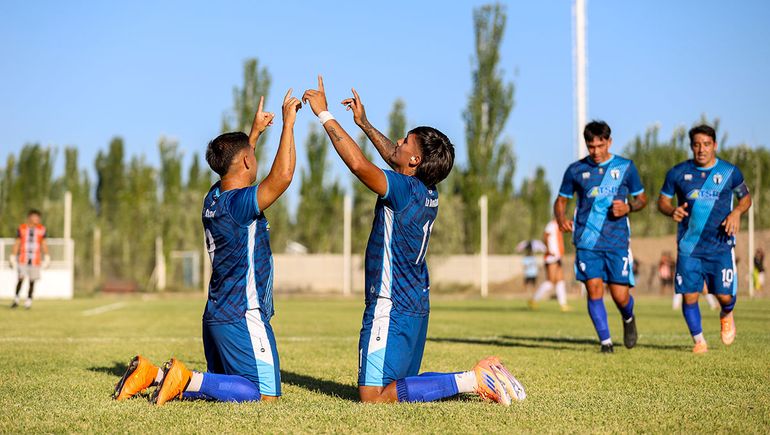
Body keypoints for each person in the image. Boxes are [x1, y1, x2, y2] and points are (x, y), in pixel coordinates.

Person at [301, 76, 525, 405]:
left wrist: (324, 115)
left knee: (374, 397)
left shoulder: (403, 190)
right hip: (415, 304)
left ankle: (474, 378)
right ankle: (477, 376)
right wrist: (363, 123)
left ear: (415, 161)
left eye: (405, 141)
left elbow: (359, 165)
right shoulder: (426, 190)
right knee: (403, 386)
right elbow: (395, 157)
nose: (398, 143)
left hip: (390, 304)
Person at [112, 90, 302, 404]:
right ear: (245, 161)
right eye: (251, 156)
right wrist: (288, 124)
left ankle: (153, 375)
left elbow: (237, 168)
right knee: (264, 395)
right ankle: (186, 377)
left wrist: (253, 134)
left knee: (225, 388)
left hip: (216, 315)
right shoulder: (240, 204)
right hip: (242, 315)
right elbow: (282, 176)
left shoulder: (213, 197)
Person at [554, 121, 647, 353]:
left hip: (617, 241)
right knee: (594, 288)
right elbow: (561, 200)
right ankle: (605, 342)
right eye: (591, 146)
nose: (595, 151)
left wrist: (629, 208)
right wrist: (560, 218)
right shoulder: (575, 170)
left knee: (620, 295)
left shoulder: (625, 167)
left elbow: (642, 199)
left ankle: (628, 317)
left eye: (600, 145)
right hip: (586, 241)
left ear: (609, 142)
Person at [657, 124, 751, 354]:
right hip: (689, 246)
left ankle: (726, 313)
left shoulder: (730, 172)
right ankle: (699, 341)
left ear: (715, 145)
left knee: (724, 296)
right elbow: (662, 201)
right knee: (689, 295)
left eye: (706, 144)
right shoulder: (678, 173)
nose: (701, 149)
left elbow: (745, 199)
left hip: (720, 245)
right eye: (697, 145)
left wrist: (737, 213)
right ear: (691, 146)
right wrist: (672, 211)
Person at [9, 209, 50, 309]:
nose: (37, 219)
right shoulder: (22, 228)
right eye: (35, 217)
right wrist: (13, 256)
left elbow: (43, 243)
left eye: (38, 217)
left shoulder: (41, 229)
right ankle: (16, 299)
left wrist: (47, 256)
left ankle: (28, 301)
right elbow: (17, 242)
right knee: (21, 279)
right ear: (30, 217)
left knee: (32, 281)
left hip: (35, 259)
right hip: (23, 258)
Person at [529, 220, 570, 311]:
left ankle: (563, 304)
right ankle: (534, 300)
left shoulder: (559, 225)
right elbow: (545, 236)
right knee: (550, 282)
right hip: (551, 257)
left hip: (557, 256)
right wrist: (548, 250)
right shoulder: (551, 225)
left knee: (560, 280)